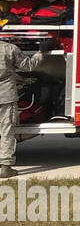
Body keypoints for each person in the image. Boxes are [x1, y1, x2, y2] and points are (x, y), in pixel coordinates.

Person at [1, 36, 55, 179]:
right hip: (6, 97)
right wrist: (41, 51)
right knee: (6, 131)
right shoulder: (9, 48)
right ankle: (5, 167)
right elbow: (28, 66)